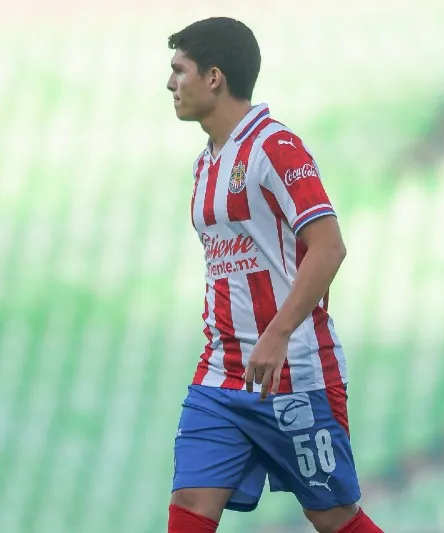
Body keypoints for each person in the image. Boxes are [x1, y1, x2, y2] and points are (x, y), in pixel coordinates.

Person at [165, 17, 385, 533]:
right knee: (191, 503)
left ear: (214, 77)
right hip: (221, 371)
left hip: (294, 375)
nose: (170, 83)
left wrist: (279, 331)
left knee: (334, 518)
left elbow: (328, 248)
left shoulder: (274, 147)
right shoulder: (206, 164)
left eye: (179, 70)